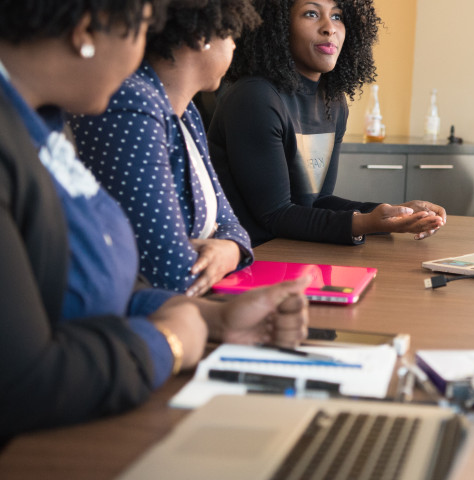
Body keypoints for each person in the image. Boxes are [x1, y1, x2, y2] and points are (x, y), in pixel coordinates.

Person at [0, 0, 309, 441]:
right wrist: (169, 344)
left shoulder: (44, 123)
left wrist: (211, 319)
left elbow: (102, 280)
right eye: (143, 30)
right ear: (85, 30)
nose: (144, 53)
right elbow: (23, 384)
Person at [207, 0, 447, 247]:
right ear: (277, 26)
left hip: (295, 252)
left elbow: (318, 201)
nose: (329, 28)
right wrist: (368, 223)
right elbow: (275, 215)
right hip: (251, 260)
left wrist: (394, 213)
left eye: (337, 16)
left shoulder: (333, 101)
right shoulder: (255, 97)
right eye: (311, 13)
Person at [69, 0, 261, 297]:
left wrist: (230, 250)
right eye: (229, 35)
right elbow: (169, 272)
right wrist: (219, 252)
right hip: (152, 313)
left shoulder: (187, 113)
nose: (235, 46)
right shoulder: (131, 103)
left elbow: (230, 222)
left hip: (189, 306)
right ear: (201, 36)